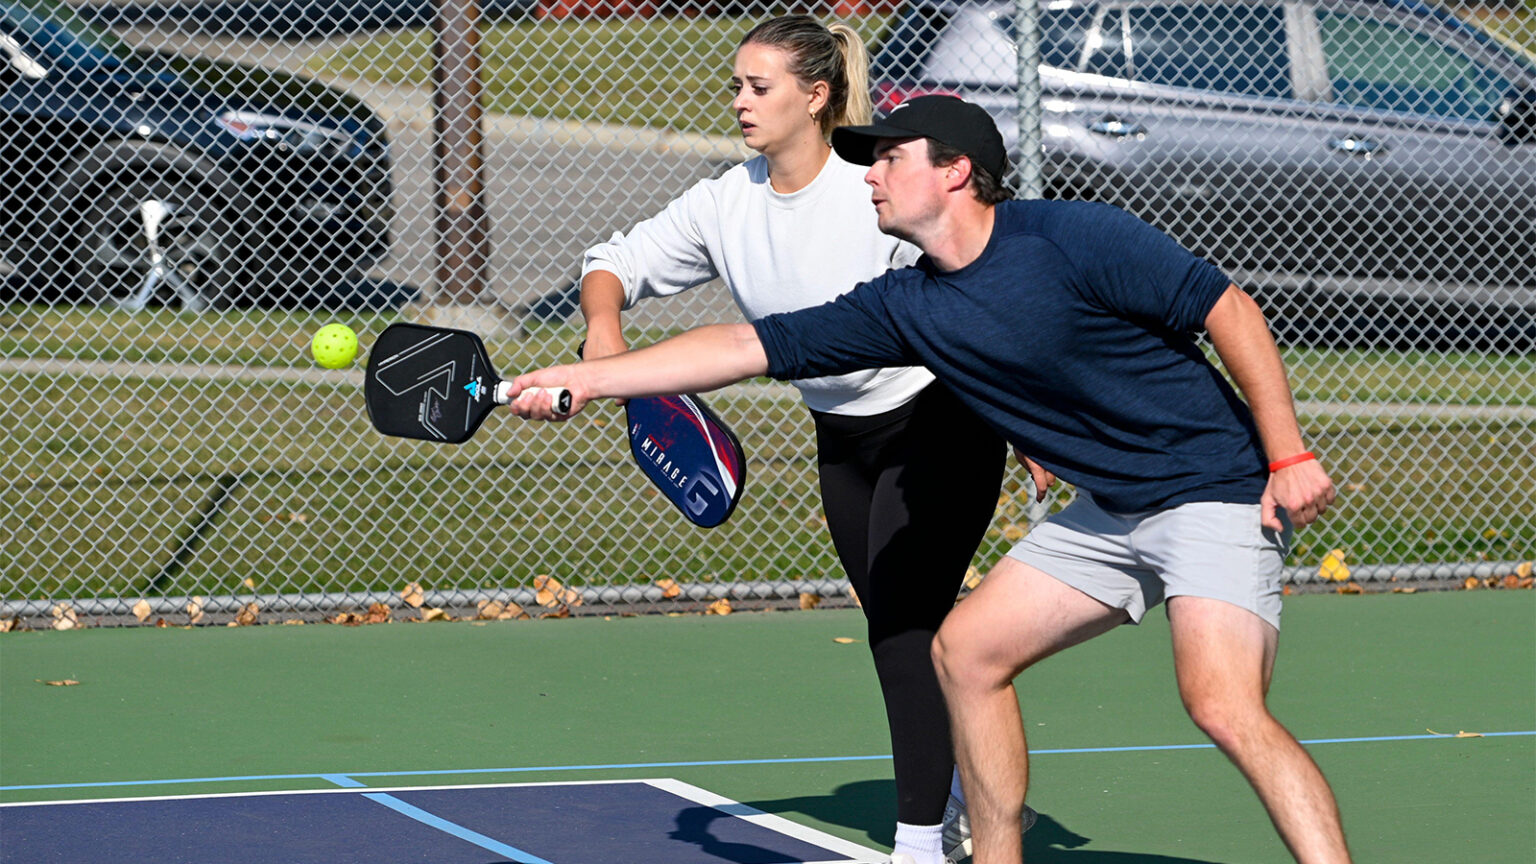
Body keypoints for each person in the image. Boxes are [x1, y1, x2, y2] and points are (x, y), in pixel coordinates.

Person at [510, 94, 1350, 864]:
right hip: (1111, 510)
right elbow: (742, 346)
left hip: (1209, 487)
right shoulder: (906, 303)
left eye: (889, 159)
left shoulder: (1071, 236)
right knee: (966, 652)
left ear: (953, 172)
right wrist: (590, 377)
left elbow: (1227, 308)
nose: (868, 175)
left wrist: (1286, 455)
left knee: (1221, 705)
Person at [572, 20, 1025, 864]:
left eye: (760, 87)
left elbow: (974, 279)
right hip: (842, 439)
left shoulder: (874, 185)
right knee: (912, 635)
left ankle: (921, 840)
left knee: (901, 628)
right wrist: (605, 335)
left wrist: (1022, 403)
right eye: (737, 85)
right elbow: (615, 261)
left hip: (940, 418)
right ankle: (982, 797)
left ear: (816, 96)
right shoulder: (726, 200)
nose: (741, 102)